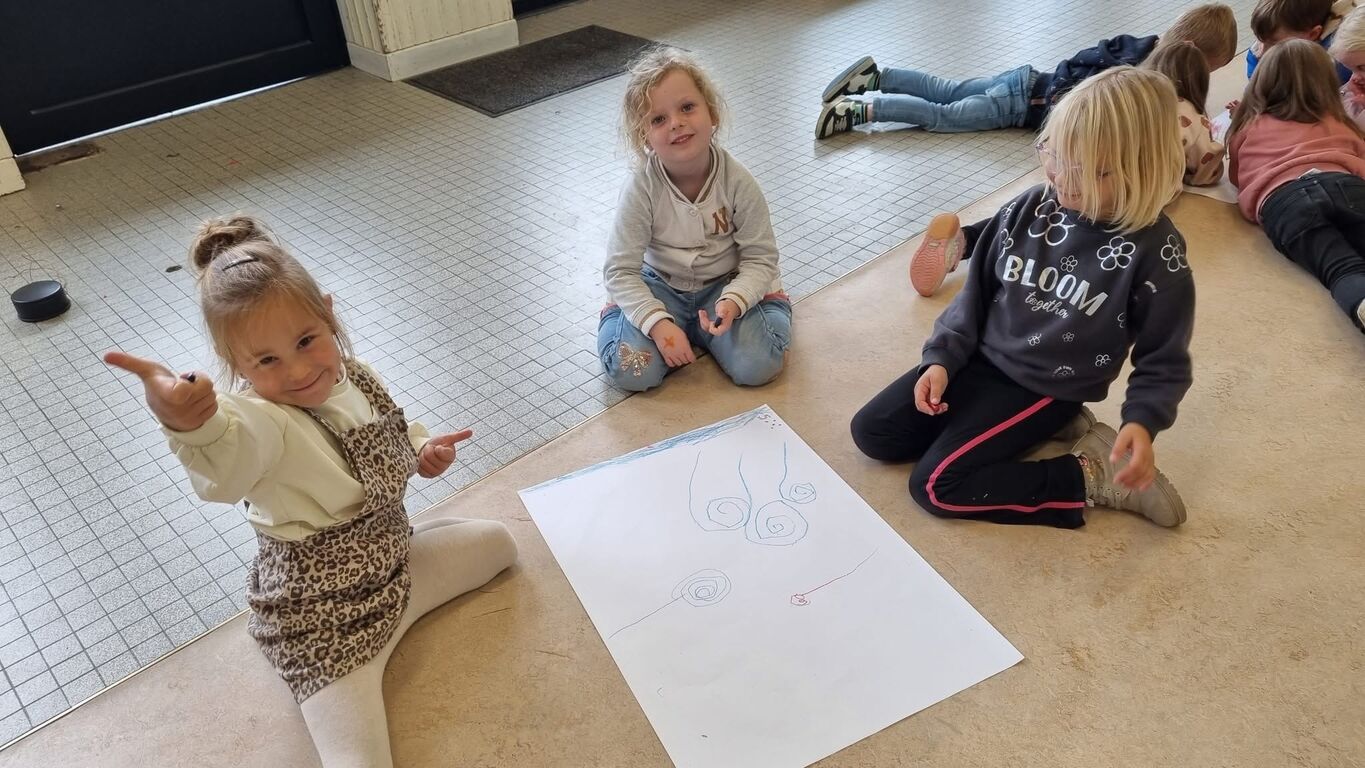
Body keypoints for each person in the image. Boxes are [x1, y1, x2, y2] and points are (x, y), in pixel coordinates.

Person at [105, 215, 518, 767]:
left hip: (390, 565)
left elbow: (394, 429)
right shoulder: (258, 418)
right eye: (267, 360)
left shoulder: (357, 374)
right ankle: (381, 630)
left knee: (501, 544)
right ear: (235, 365)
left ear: (327, 314)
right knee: (360, 761)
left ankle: (404, 591)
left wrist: (422, 451)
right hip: (322, 616)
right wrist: (190, 426)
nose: (298, 371)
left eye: (306, 340)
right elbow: (223, 464)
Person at [851, 68, 1195, 529]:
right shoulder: (1030, 206)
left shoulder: (1157, 253)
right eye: (1056, 155)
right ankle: (1034, 433)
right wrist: (941, 359)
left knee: (935, 486)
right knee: (873, 432)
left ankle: (1087, 473)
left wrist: (1142, 422)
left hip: (1046, 387)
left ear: (1142, 169)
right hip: (979, 360)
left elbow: (1164, 359)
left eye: (1086, 169)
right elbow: (975, 296)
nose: (1061, 178)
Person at [598, 46, 792, 391]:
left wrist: (735, 300)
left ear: (712, 113)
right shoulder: (641, 188)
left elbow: (761, 259)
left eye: (687, 107)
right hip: (659, 286)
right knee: (631, 371)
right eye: (658, 119)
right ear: (644, 137)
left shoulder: (739, 182)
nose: (676, 123)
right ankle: (624, 314)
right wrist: (658, 324)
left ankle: (758, 309)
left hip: (724, 285)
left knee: (759, 366)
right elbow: (620, 271)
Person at [815, 4, 1237, 139]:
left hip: (1027, 77)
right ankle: (859, 112)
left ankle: (876, 77)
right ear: (1191, 51)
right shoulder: (1143, 79)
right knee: (945, 116)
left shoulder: (1138, 44)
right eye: (1209, 69)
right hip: (1021, 104)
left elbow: (1081, 58)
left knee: (948, 89)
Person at [1228, 38, 1365, 331]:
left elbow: (1236, 178)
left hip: (1284, 201)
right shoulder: (1340, 122)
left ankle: (1361, 301)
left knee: (1340, 268)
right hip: (1343, 183)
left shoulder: (1248, 126)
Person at [1144, 41, 1227, 185]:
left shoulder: (1139, 98)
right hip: (1151, 188)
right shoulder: (1192, 115)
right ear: (1199, 84)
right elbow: (1208, 170)